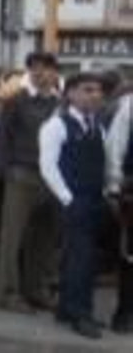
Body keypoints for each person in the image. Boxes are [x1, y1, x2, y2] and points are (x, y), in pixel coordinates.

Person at [39, 71, 114, 339]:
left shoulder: (97, 125)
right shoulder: (56, 125)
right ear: (70, 93)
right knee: (81, 259)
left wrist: (107, 191)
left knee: (79, 257)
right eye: (88, 89)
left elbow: (103, 163)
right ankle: (81, 314)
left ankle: (65, 309)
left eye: (98, 90)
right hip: (73, 199)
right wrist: (68, 199)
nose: (95, 95)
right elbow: (48, 167)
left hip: (95, 198)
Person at [0, 52, 63, 313]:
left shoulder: (61, 104)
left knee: (44, 237)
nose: (39, 73)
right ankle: (8, 293)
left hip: (52, 179)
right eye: (34, 68)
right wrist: (8, 169)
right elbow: (0, 139)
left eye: (45, 68)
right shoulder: (17, 101)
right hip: (23, 175)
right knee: (13, 238)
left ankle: (37, 289)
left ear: (56, 73)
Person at [105, 78, 133, 335]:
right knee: (130, 257)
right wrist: (114, 187)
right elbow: (116, 146)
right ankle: (125, 312)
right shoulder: (130, 107)